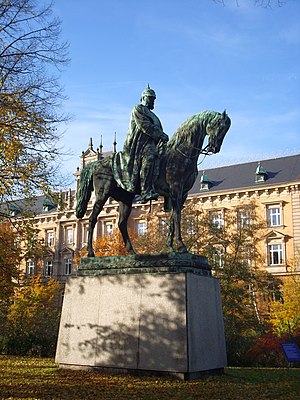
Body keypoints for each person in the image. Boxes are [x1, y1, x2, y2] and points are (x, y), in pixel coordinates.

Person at [112, 85, 169, 203]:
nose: (153, 101)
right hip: (138, 144)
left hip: (150, 144)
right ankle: (146, 191)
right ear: (143, 98)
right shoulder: (138, 109)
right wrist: (160, 135)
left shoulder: (154, 115)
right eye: (150, 98)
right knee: (150, 156)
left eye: (154, 99)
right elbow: (145, 126)